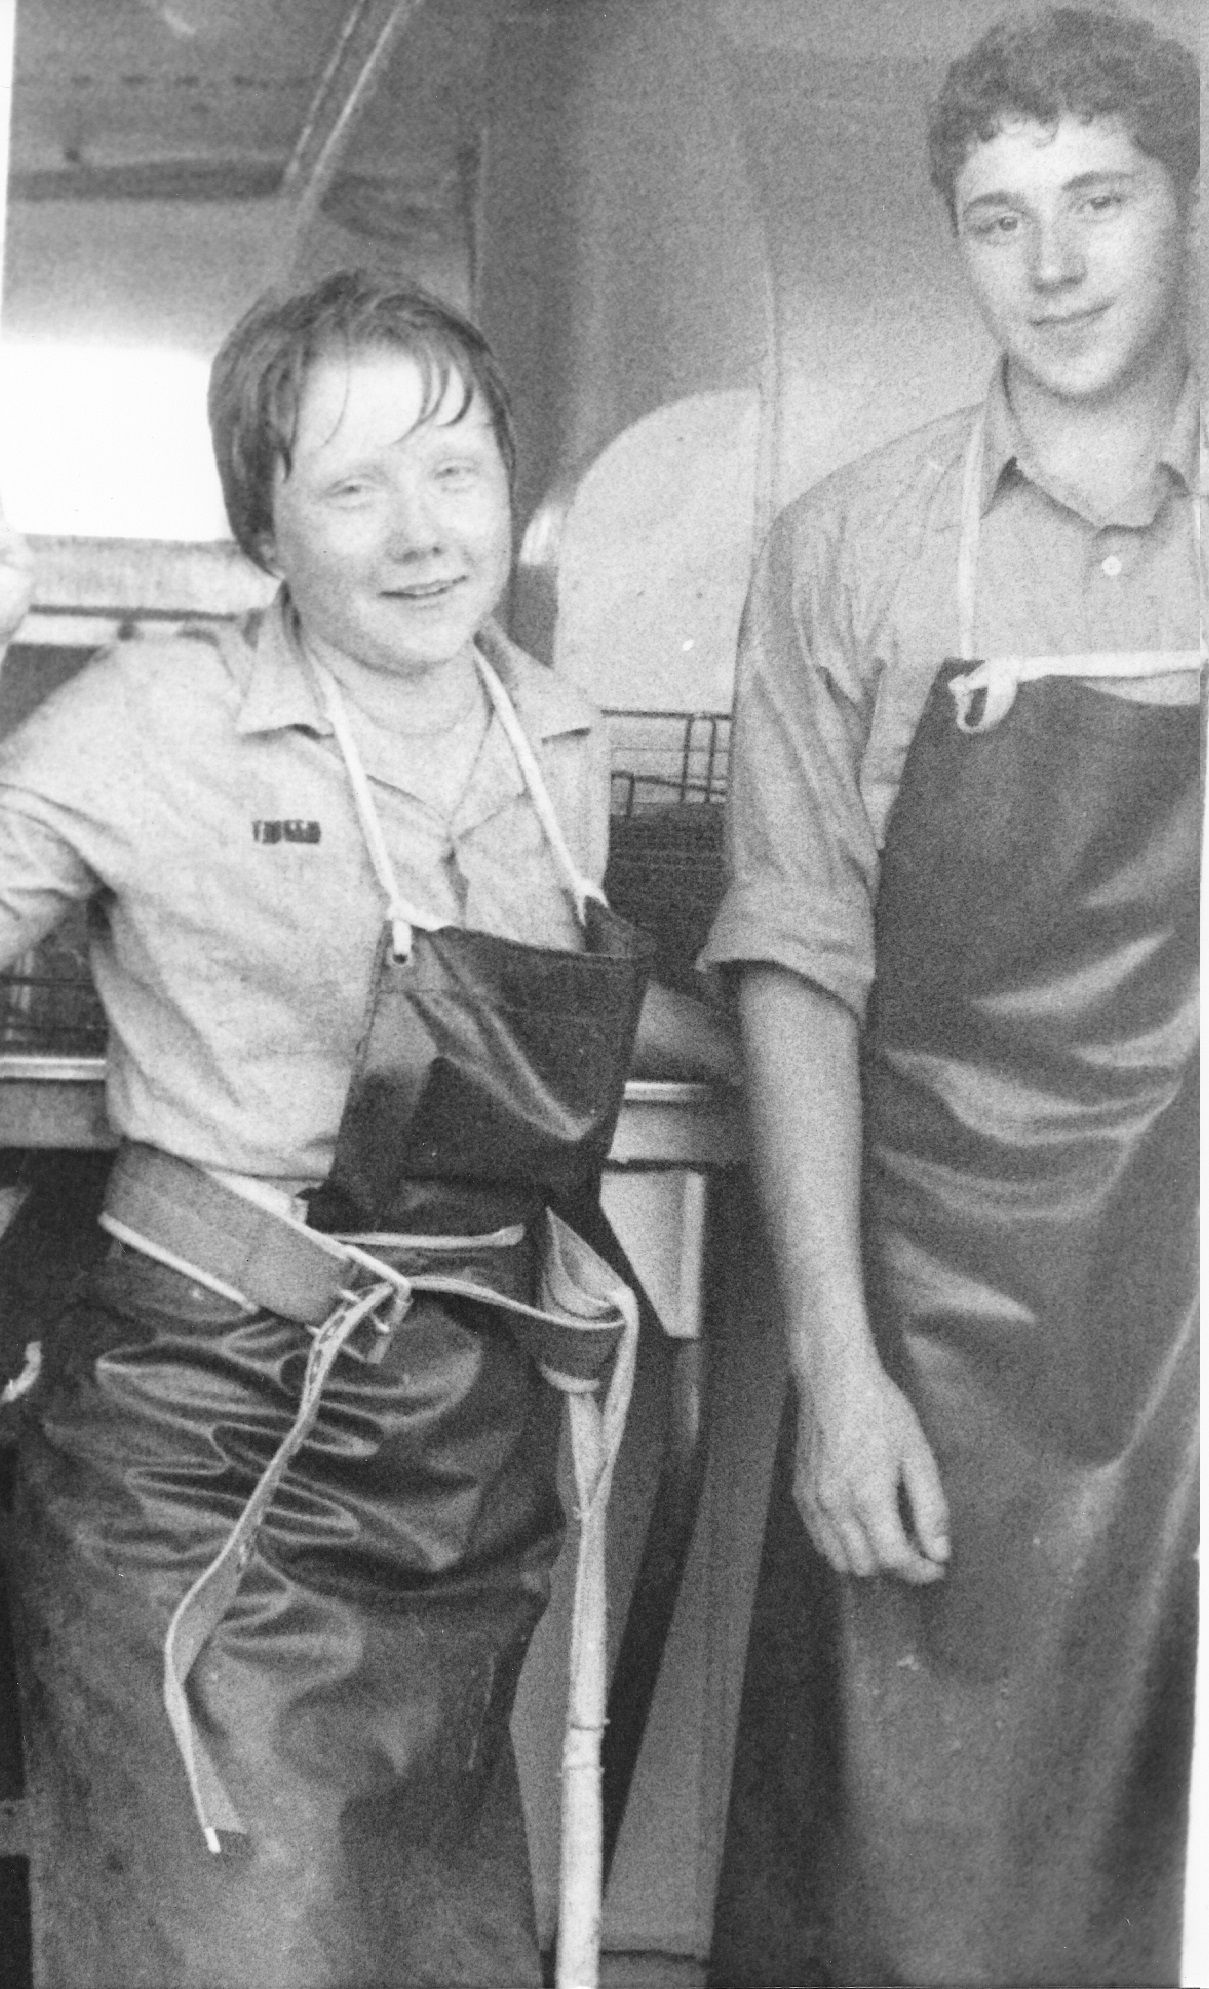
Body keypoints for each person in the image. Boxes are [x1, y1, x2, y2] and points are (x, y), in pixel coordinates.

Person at [0, 270, 733, 1987]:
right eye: (350, 486)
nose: (418, 533)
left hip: (451, 1456)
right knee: (233, 1944)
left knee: (432, 1950)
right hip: (207, 1442)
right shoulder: (146, 720)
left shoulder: (552, 729)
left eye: (454, 470)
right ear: (265, 523)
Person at [703, 9, 1200, 1985]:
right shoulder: (846, 548)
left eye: (1096, 200)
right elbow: (794, 962)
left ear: (1183, 204)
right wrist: (835, 1363)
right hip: (928, 1320)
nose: (1053, 266)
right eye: (998, 220)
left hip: (1191, 1324)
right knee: (886, 1904)